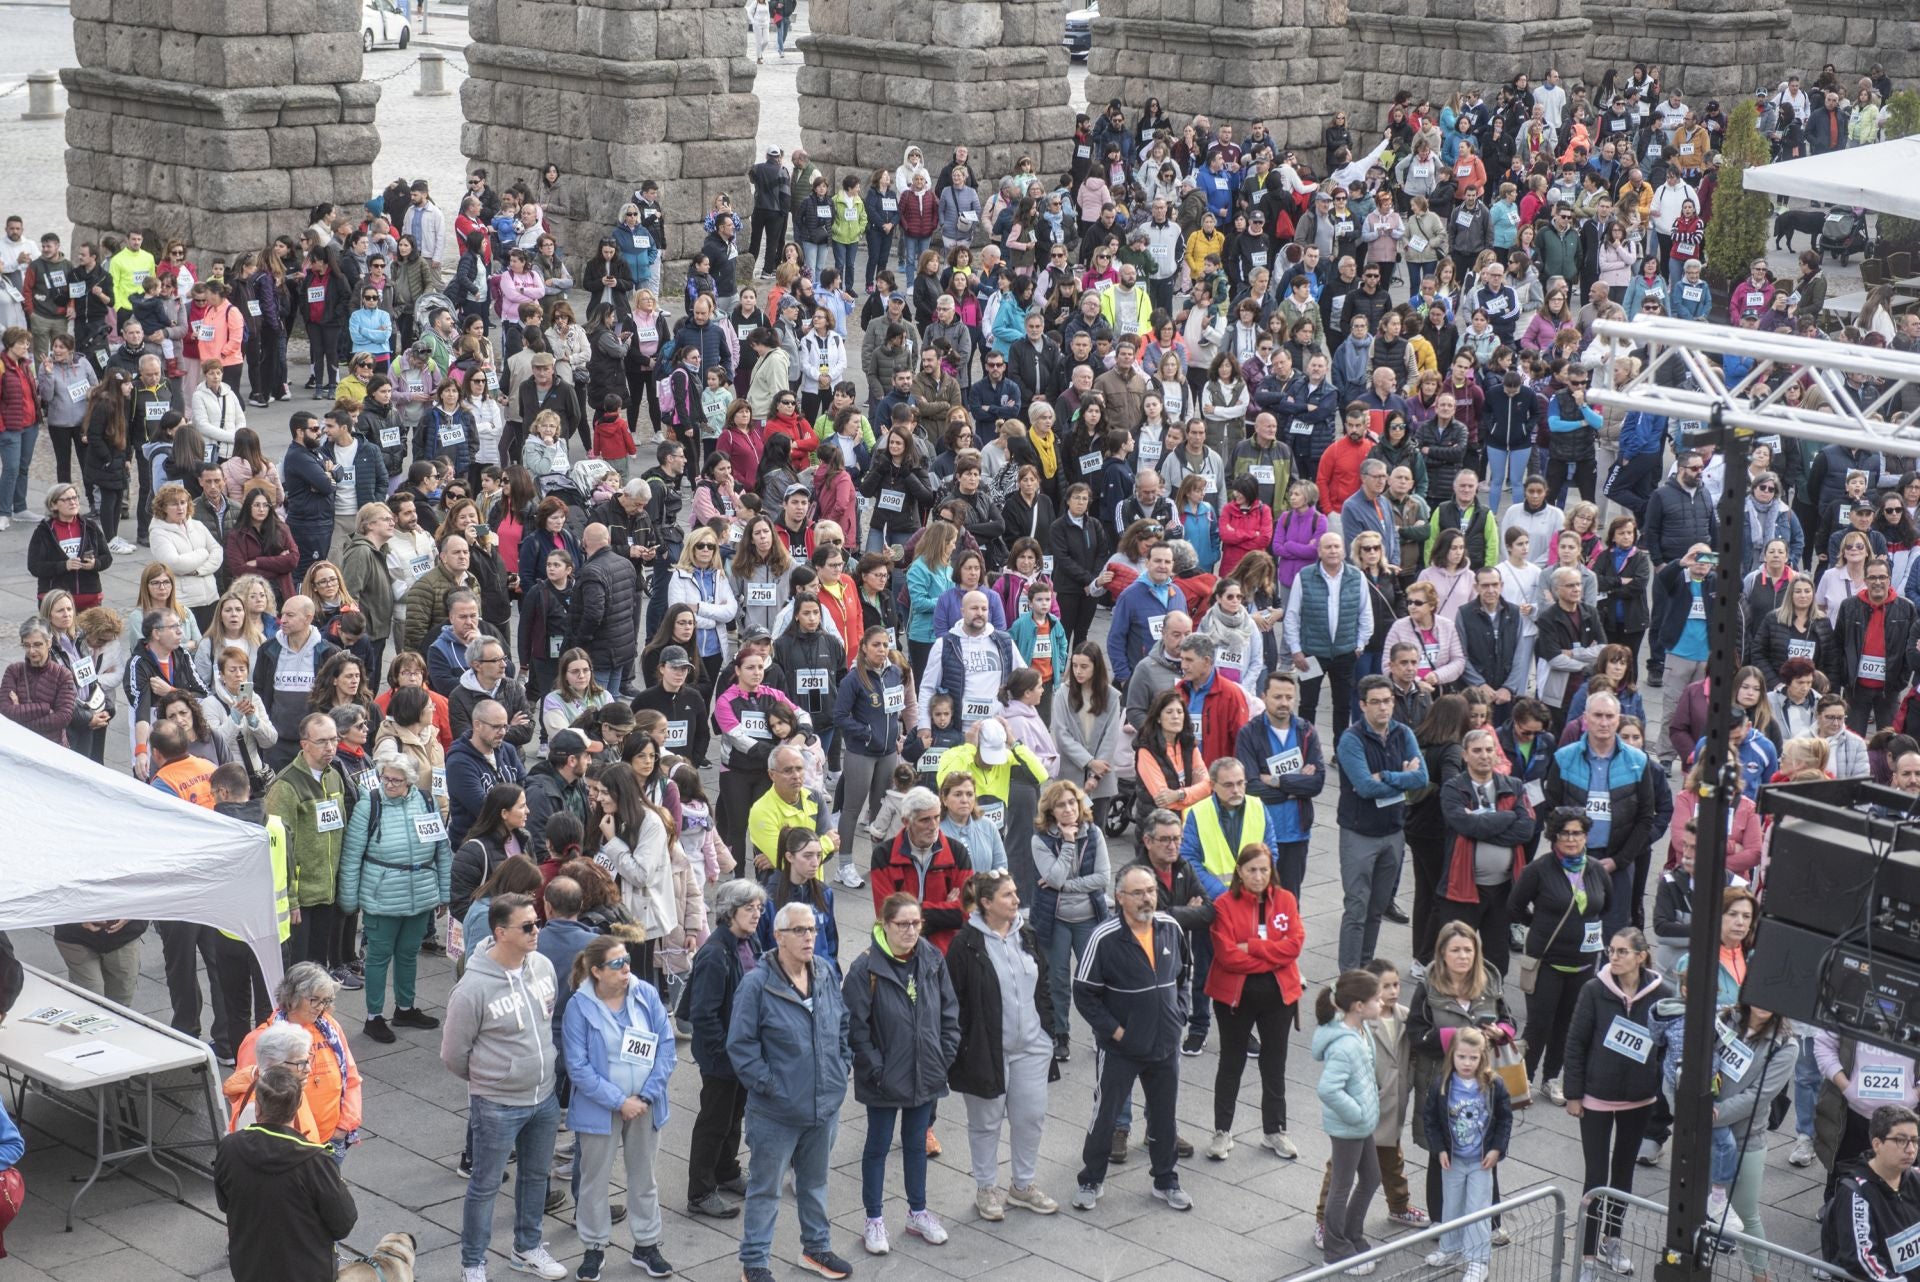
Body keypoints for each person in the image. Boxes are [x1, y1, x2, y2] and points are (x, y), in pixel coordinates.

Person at [441, 891, 568, 1282]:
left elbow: (548, 1017)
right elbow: (453, 1053)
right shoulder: (473, 989)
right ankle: (473, 1264)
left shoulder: (543, 967)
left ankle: (527, 1248)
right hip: (497, 1103)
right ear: (500, 933)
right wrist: (491, 1078)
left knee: (535, 1177)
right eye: (527, 926)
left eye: (538, 923)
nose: (536, 931)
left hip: (544, 1097)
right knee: (485, 1185)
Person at [729, 900, 857, 1282]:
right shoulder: (756, 984)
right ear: (778, 935)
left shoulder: (826, 972)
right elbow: (741, 1046)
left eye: (813, 930)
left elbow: (843, 1025)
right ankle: (754, 1264)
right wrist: (771, 1087)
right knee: (765, 1190)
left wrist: (840, 1067)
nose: (808, 937)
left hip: (824, 1105)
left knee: (815, 1184)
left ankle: (816, 1249)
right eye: (799, 931)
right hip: (776, 1113)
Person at [1070, 863, 1193, 1213]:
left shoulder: (1169, 927)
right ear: (1119, 897)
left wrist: (1180, 1013)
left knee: (1165, 1116)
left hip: (1166, 1044)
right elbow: (1084, 993)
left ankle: (1166, 1181)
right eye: (1137, 893)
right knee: (1106, 1115)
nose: (1146, 898)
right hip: (1121, 1049)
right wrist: (1116, 1030)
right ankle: (1091, 1179)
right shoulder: (1104, 937)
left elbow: (1185, 974)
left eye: (1150, 890)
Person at [845, 891, 963, 1255]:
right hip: (884, 1076)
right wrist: (876, 1068)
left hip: (925, 1070)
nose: (911, 931)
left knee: (916, 1145)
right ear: (884, 924)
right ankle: (874, 1219)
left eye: (916, 923)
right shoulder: (864, 969)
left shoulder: (931, 958)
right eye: (903, 924)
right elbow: (856, 1029)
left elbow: (949, 1011)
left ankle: (918, 1212)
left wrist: (943, 1055)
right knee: (878, 1146)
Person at [562, 935, 677, 1282]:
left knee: (644, 1178)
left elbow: (666, 1046)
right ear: (596, 971)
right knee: (594, 1182)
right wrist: (619, 1101)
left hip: (645, 1106)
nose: (627, 968)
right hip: (601, 1109)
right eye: (617, 963)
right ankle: (594, 1247)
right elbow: (577, 1066)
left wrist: (645, 1097)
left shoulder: (645, 994)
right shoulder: (578, 1006)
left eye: (626, 960)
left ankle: (647, 1245)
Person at [947, 868, 1060, 1221]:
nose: (1016, 899)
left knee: (1030, 1117)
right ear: (985, 903)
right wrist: (963, 1048)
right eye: (1008, 895)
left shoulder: (1025, 933)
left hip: (1032, 1046)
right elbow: (954, 1001)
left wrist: (1047, 1032)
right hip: (986, 1050)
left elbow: (1043, 981)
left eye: (1015, 893)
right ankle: (986, 1188)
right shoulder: (965, 944)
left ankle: (1022, 1187)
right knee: (986, 1122)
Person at [1561, 926, 1671, 1282]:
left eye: (1623, 951)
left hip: (1638, 1100)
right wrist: (1573, 1094)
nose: (1615, 956)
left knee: (1623, 1173)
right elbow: (1575, 1042)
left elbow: (1670, 1046)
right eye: (1612, 950)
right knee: (1596, 1175)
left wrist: (1655, 1082)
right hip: (1595, 1096)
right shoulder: (1594, 990)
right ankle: (1588, 1254)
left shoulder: (1662, 994)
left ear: (1641, 956)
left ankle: (1613, 1239)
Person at [1204, 843, 1305, 1161]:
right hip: (1235, 997)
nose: (1258, 876)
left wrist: (1254, 947)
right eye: (1251, 870)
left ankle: (1274, 1130)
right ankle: (1222, 1131)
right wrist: (1272, 954)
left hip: (1279, 997)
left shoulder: (1285, 900)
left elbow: (1295, 944)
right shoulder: (1223, 904)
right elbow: (1227, 955)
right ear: (1240, 872)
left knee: (1274, 1064)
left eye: (1264, 869)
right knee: (1230, 1063)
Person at [338, 756, 449, 1042]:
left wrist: (444, 893)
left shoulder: (426, 802)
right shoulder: (369, 806)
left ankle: (405, 1008)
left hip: (420, 893)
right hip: (382, 895)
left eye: (396, 780)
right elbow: (351, 857)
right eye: (385, 778)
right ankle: (373, 1016)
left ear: (410, 781)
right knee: (378, 957)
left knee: (408, 954)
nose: (389, 784)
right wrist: (349, 901)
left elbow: (442, 850)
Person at [213, 1064, 358, 1282]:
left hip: (250, 1268)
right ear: (298, 1105)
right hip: (306, 1272)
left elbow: (224, 1203)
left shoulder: (230, 1147)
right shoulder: (316, 1161)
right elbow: (343, 1223)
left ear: (258, 1107)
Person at [1509, 807, 1611, 1102]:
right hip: (1546, 961)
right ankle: (1524, 1078)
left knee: (1567, 1023)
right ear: (1554, 836)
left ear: (1586, 836)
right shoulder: (1538, 870)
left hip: (1582, 964)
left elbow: (1605, 905)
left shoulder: (1595, 870)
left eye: (1577, 833)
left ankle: (1552, 1078)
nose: (1570, 839)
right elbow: (1514, 907)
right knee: (1539, 1022)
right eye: (1564, 833)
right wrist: (1539, 925)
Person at [683, 878, 765, 1219]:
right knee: (714, 1121)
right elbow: (704, 1013)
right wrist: (723, 1054)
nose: (757, 914)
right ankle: (700, 1192)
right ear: (729, 912)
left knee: (734, 1116)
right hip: (723, 1056)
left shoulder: (749, 942)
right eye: (750, 909)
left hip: (744, 1051)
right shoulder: (716, 953)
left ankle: (726, 1171)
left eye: (759, 908)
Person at [1334, 675, 1427, 971]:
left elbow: (1422, 778)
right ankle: (1349, 976)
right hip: (1359, 834)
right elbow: (1364, 787)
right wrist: (1403, 778)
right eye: (1376, 702)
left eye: (1388, 701)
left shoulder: (1403, 733)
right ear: (1363, 705)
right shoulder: (1351, 740)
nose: (1383, 708)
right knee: (1357, 908)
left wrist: (1386, 777)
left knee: (1377, 908)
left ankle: (1365, 967)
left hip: (1394, 832)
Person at [1435, 728, 1536, 976]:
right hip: (1462, 890)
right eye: (1477, 750)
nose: (1484, 756)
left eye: (1489, 750)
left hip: (1503, 889)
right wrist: (1508, 817)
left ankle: (1496, 1002)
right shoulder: (1453, 788)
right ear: (1465, 755)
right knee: (1457, 952)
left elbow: (1526, 830)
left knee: (1497, 955)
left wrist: (1483, 825)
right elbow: (1464, 824)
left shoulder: (1514, 786)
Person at [1418, 1025, 1511, 1282]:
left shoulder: (1494, 1084)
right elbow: (1431, 1120)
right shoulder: (1442, 1084)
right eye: (1461, 1057)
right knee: (1451, 1204)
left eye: (1473, 1057)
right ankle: (1451, 1248)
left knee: (1478, 1210)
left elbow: (1505, 1119)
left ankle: (1478, 1260)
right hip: (1453, 1159)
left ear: (1483, 1056)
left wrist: (1496, 1149)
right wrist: (1438, 1150)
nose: (1467, 1063)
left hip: (1481, 1161)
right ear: (1452, 1056)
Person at [1314, 968, 1386, 1270]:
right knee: (1342, 1185)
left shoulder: (1360, 1030)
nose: (1381, 1004)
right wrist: (1357, 1113)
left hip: (1361, 1122)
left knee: (1371, 1177)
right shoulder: (1344, 1044)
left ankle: (1353, 1237)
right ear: (1359, 1006)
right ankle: (1336, 1249)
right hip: (1349, 1126)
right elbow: (1328, 1089)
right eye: (1377, 1000)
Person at [1234, 669, 1325, 900]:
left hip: (1297, 835)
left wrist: (1277, 781)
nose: (1284, 703)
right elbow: (1252, 787)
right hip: (1260, 834)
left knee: (1289, 902)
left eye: (1289, 697)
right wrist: (1295, 788)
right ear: (1264, 697)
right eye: (1277, 697)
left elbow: (1316, 783)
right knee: (1257, 902)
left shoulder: (1306, 732)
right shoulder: (1249, 734)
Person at [1285, 530, 1371, 740]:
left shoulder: (1356, 576)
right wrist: (1296, 651)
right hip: (1311, 655)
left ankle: (1341, 750)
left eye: (1336, 546)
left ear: (1344, 550)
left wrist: (1359, 644)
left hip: (1345, 654)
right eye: (1328, 547)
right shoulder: (1304, 577)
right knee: (1307, 705)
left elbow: (1365, 614)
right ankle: (1306, 748)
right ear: (1319, 551)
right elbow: (1292, 616)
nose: (1333, 551)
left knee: (1343, 706)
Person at [1822, 1104, 1920, 1282]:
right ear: (1877, 1144)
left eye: (1914, 1140)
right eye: (1900, 1140)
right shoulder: (1856, 1194)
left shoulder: (1916, 1177)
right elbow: (1861, 1259)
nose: (1911, 1149)